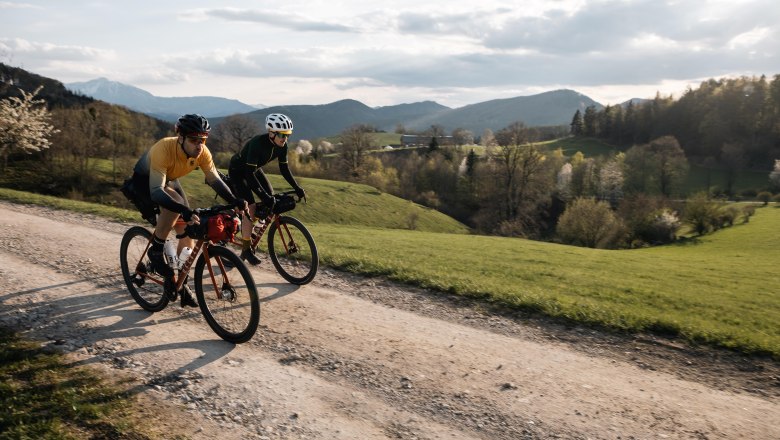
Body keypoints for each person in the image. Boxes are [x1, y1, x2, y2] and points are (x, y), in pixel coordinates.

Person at [129, 114, 246, 307]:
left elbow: (214, 179)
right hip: (145, 184)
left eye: (203, 140)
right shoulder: (164, 148)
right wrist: (183, 210)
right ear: (180, 137)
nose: (199, 145)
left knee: (189, 226)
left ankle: (180, 283)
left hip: (170, 180)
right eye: (194, 140)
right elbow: (157, 191)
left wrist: (234, 200)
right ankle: (156, 251)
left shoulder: (202, 152)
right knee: (177, 209)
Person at [228, 113, 306, 265]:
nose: (285, 139)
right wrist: (263, 197)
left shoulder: (283, 146)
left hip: (253, 169)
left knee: (271, 196)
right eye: (282, 135)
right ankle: (246, 249)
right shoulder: (257, 143)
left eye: (287, 135)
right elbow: (248, 175)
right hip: (238, 171)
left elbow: (284, 169)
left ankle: (254, 223)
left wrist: (296, 187)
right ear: (271, 133)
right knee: (250, 206)